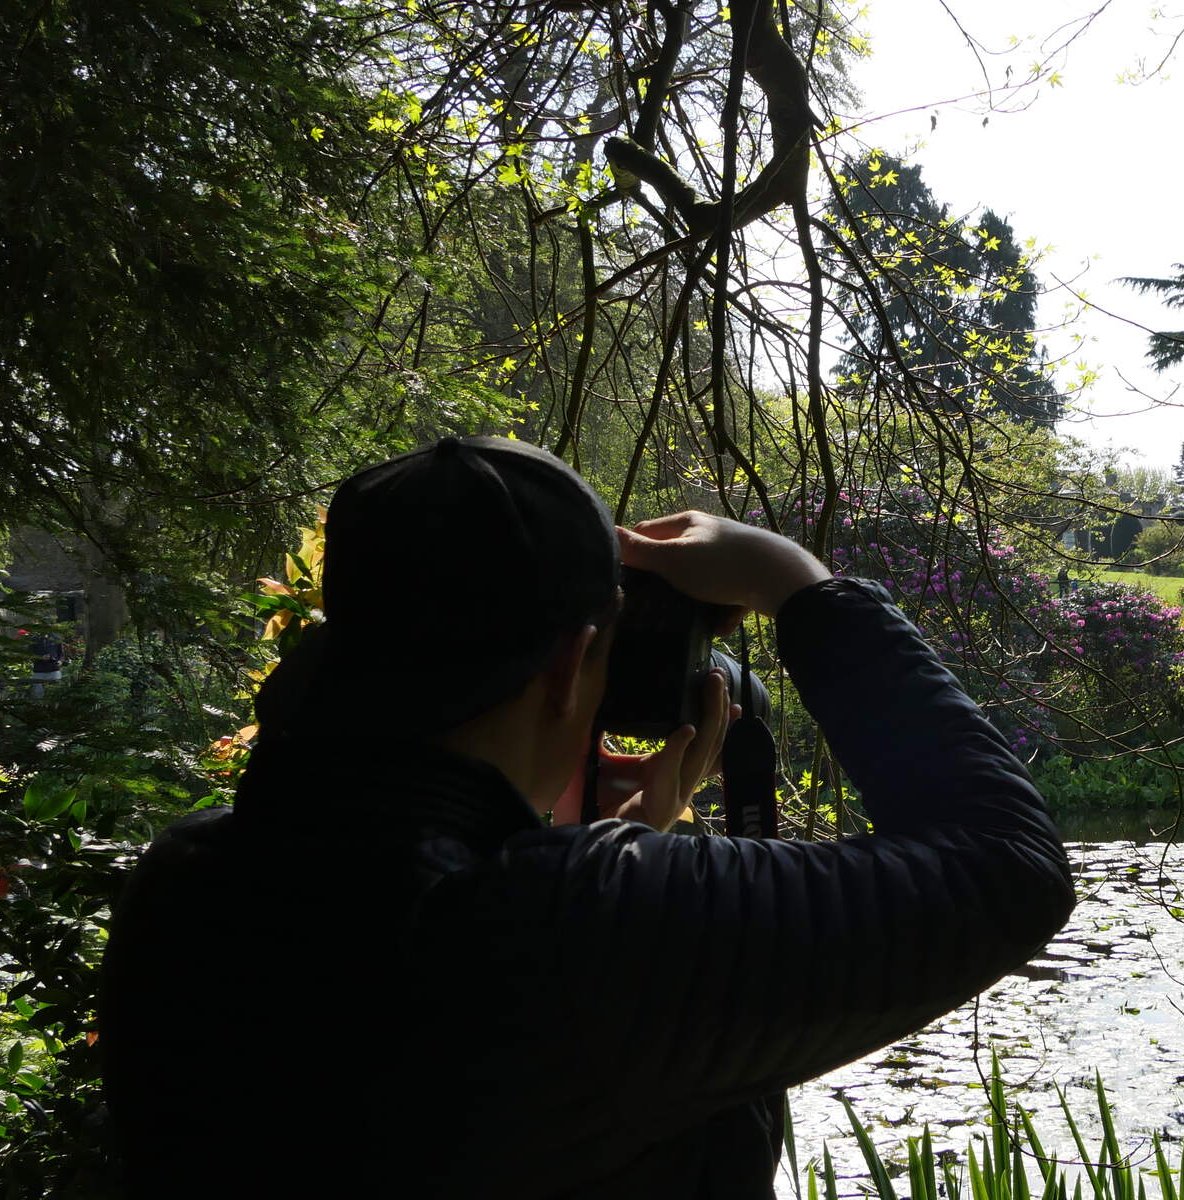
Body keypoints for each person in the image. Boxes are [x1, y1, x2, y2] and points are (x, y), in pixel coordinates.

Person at [99, 436, 1075, 1197]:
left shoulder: (184, 888)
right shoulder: (569, 927)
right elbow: (1006, 862)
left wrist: (610, 850)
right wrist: (796, 583)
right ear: (570, 667)